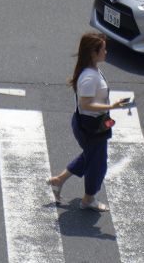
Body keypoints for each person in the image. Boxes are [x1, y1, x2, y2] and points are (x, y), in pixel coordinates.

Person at [46, 33, 129, 211]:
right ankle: (88, 199)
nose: (106, 51)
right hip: (90, 127)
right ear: (93, 52)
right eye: (103, 49)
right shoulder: (89, 77)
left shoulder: (92, 70)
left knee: (91, 156)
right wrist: (112, 106)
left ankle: (58, 180)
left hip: (92, 125)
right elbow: (86, 104)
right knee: (98, 164)